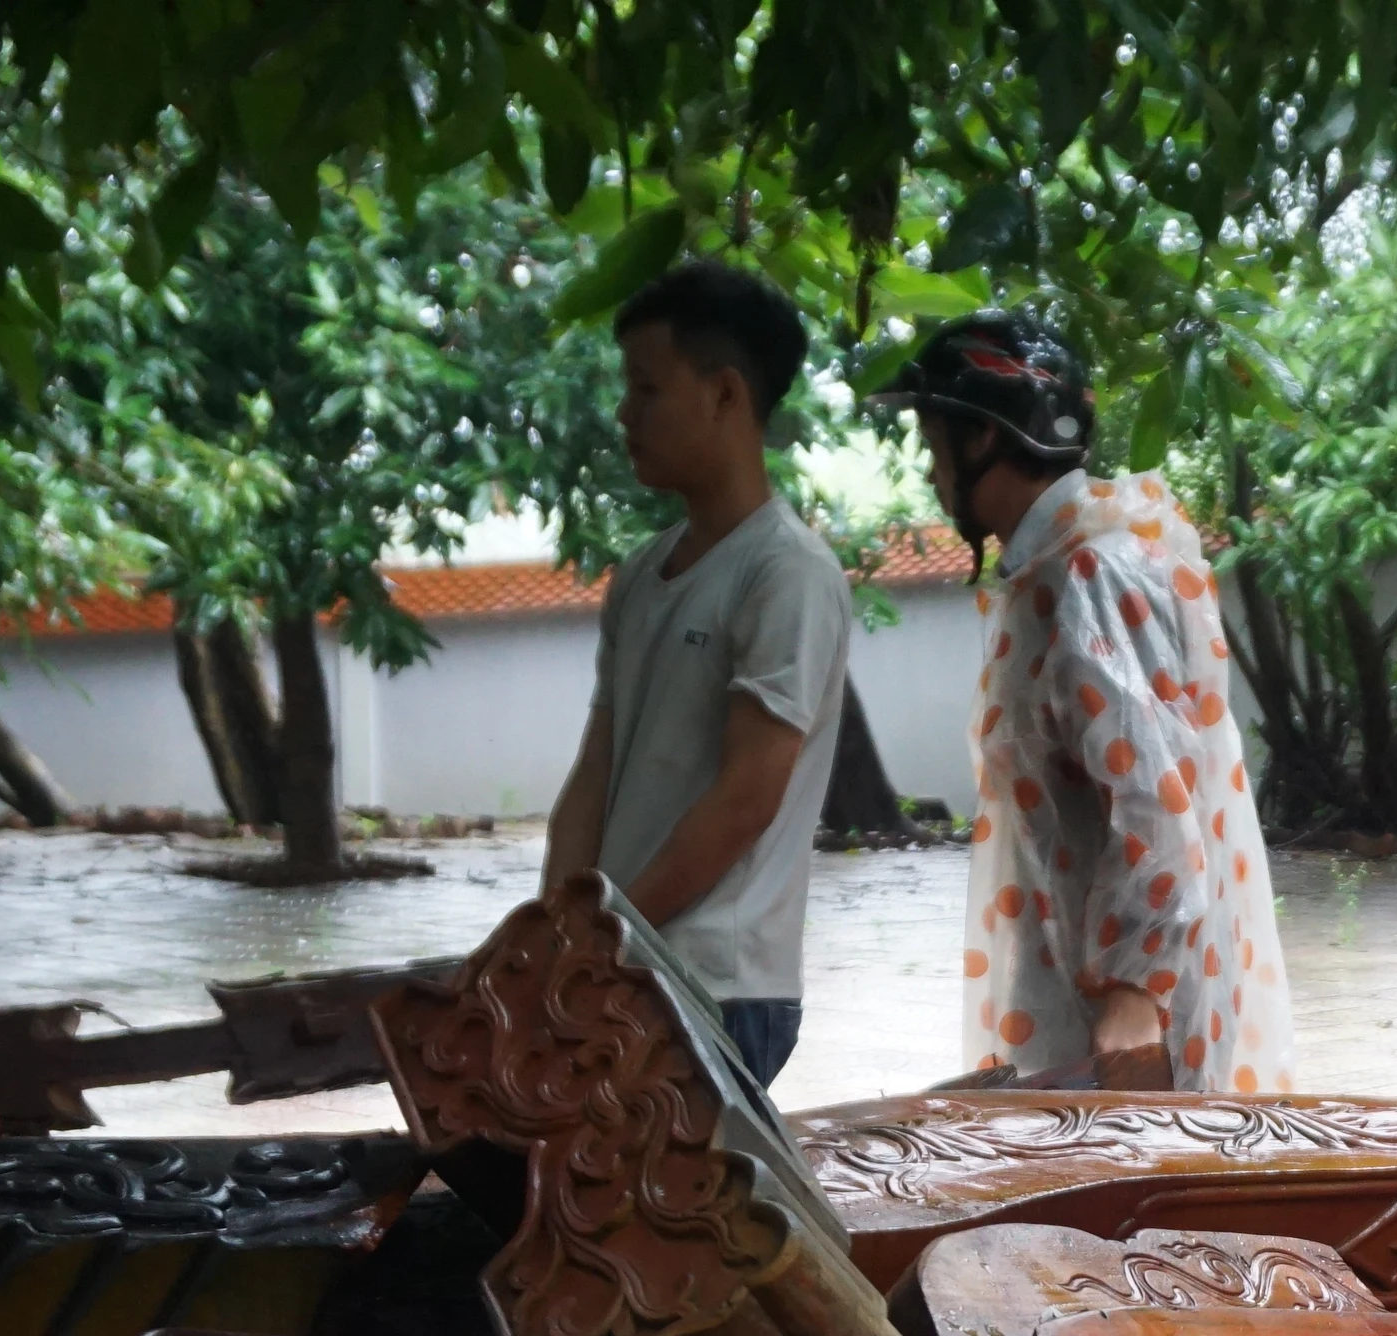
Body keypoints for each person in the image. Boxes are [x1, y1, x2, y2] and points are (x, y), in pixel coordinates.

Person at [878, 311, 1296, 1092]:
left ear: (985, 439)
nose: (932, 474)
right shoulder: (1057, 570)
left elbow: (1155, 800)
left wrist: (1136, 997)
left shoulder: (1093, 575)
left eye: (937, 445)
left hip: (1127, 1014)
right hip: (1078, 985)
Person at [540, 259, 854, 1093]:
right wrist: (553, 934)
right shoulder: (641, 576)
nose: (624, 414)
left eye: (646, 388)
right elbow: (594, 772)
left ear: (723, 395)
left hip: (720, 984)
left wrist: (607, 932)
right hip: (624, 968)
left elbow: (748, 798)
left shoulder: (787, 573)